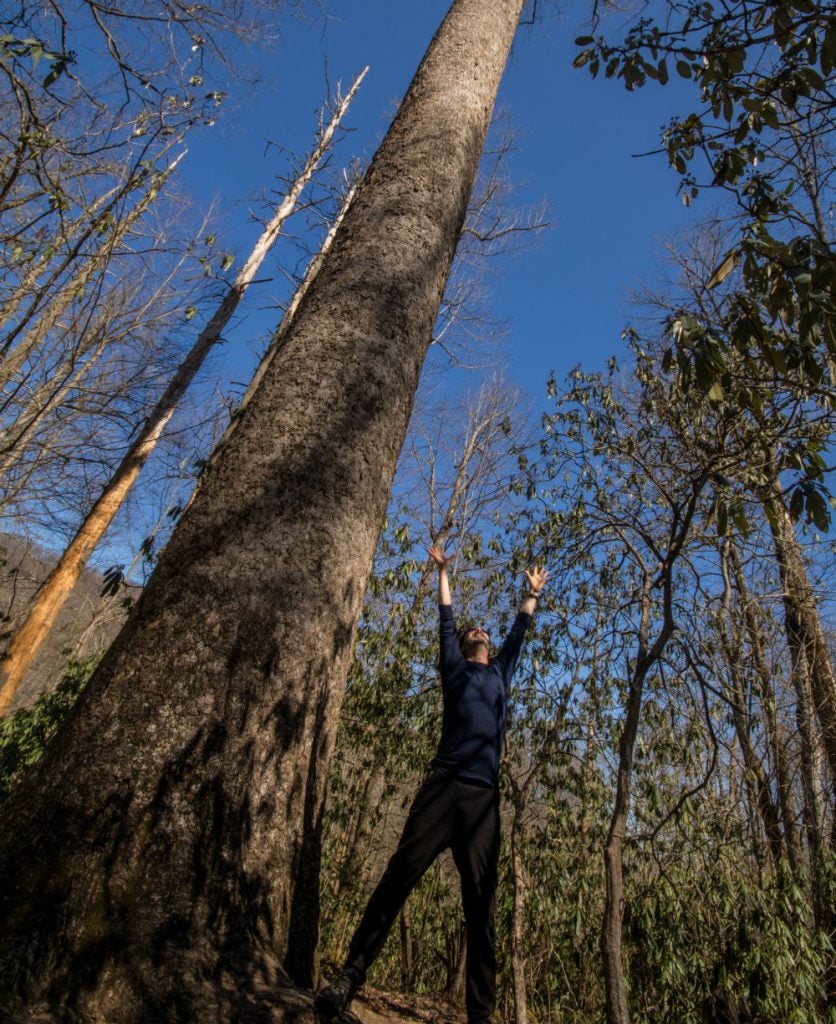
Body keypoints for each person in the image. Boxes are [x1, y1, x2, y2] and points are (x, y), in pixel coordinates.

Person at [315, 545, 548, 1024]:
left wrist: (531, 594)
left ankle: (480, 1016)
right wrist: (443, 573)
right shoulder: (455, 669)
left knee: (481, 910)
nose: (480, 630)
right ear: (465, 646)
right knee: (398, 879)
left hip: (484, 800)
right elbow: (445, 619)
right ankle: (348, 980)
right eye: (473, 630)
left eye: (483, 629)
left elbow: (520, 633)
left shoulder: (501, 673)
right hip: (442, 789)